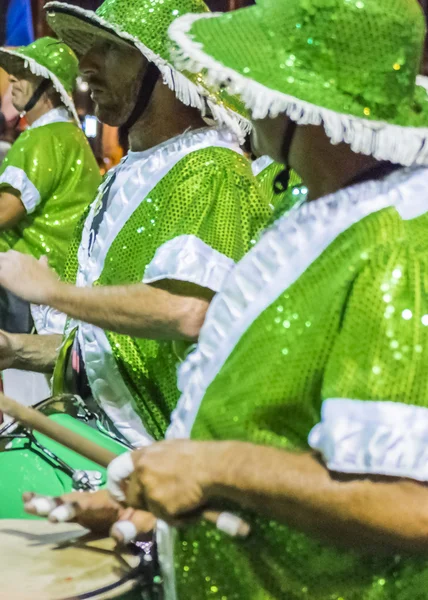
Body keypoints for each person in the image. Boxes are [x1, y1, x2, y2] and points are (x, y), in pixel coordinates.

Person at [33, 0, 428, 598]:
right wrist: (146, 515)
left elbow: (413, 506)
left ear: (300, 103)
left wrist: (212, 468)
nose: (230, 87)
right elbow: (271, 426)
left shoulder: (399, 248)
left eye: (252, 73)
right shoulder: (310, 213)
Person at [0, 0, 269, 508]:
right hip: (100, 434)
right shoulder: (132, 171)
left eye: (111, 50)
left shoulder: (211, 169)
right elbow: (112, 347)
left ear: (165, 70)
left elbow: (187, 312)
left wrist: (53, 292)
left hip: (160, 465)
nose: (85, 66)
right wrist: (16, 348)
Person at [0, 37, 101, 331]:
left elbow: (6, 210)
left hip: (26, 287)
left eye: (25, 73)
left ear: (49, 87)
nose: (12, 79)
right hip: (54, 284)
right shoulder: (68, 135)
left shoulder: (42, 137)